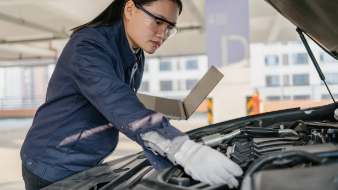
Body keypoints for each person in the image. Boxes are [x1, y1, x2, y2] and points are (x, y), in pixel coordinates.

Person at [20, 0, 243, 189]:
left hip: (87, 158)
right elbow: (113, 98)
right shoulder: (88, 45)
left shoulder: (135, 52)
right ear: (129, 9)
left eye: (169, 28)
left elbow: (120, 96)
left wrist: (156, 114)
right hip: (53, 162)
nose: (162, 34)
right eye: (157, 21)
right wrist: (182, 149)